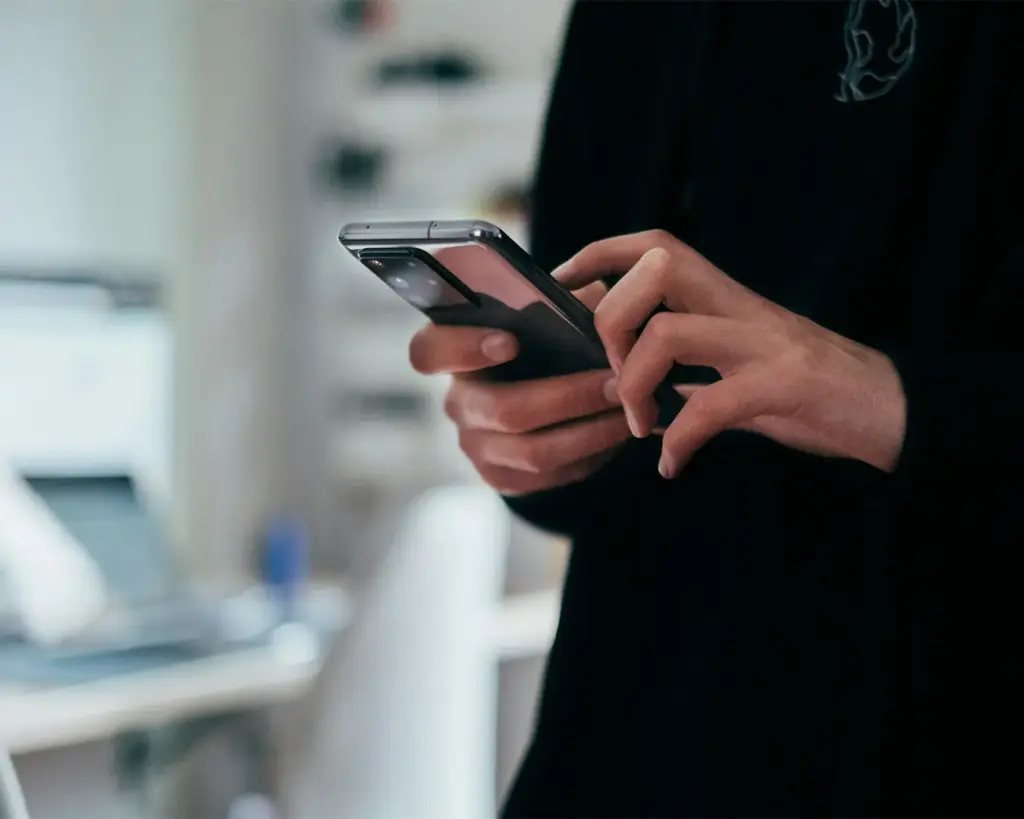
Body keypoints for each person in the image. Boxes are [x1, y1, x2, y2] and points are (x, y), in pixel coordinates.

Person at [409, 1, 1024, 815]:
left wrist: (882, 399)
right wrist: (528, 433)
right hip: (627, 736)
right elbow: (603, 451)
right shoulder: (629, 20)